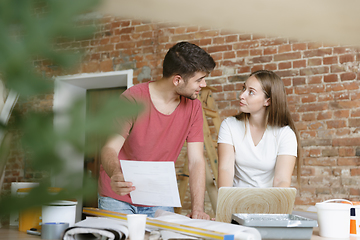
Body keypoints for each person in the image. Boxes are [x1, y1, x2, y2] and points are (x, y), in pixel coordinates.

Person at [98, 41, 216, 219]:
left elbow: (196, 161)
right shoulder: (133, 98)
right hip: (118, 197)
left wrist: (198, 208)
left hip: (159, 197)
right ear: (177, 80)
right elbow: (109, 148)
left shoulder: (194, 107)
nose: (204, 84)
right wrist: (115, 174)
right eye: (199, 79)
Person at [217, 70, 301, 188]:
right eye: (243, 89)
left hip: (269, 202)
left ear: (268, 101)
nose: (241, 96)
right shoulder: (229, 125)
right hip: (236, 202)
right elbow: (225, 170)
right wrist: (226, 203)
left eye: (251, 92)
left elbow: (281, 180)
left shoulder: (285, 134)